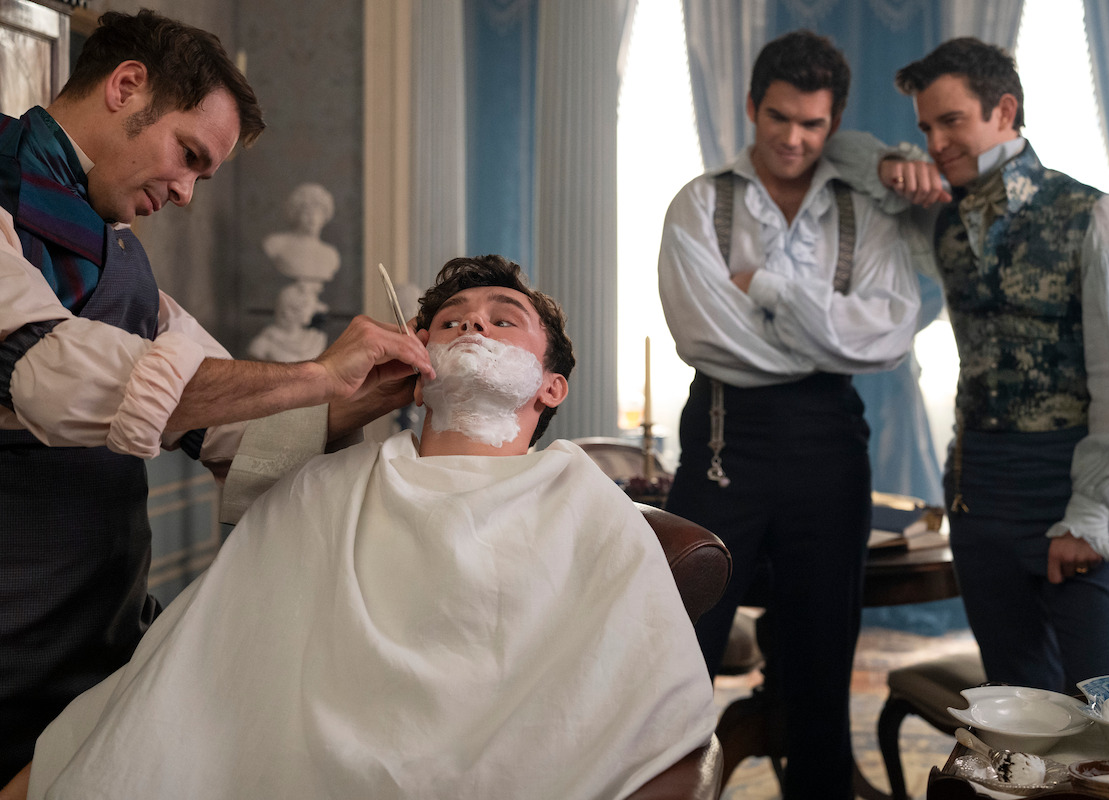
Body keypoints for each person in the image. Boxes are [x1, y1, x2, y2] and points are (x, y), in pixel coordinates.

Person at [22, 255, 717, 800]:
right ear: (416, 369)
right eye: (450, 321)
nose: (472, 326)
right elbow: (210, 669)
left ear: (551, 386)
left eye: (503, 320)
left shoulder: (583, 500)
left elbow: (645, 695)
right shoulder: (327, 487)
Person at [0, 10, 432, 789]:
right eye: (189, 156)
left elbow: (234, 431)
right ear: (126, 87)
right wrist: (316, 373)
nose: (186, 194)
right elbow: (49, 373)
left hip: (103, 647)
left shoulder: (123, 259)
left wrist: (365, 397)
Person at [657, 29, 922, 798]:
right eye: (779, 118)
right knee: (678, 654)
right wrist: (826, 336)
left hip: (830, 450)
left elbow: (888, 333)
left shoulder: (865, 211)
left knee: (821, 666)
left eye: (813, 124)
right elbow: (704, 335)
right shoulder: (699, 203)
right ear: (751, 107)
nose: (795, 139)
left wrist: (768, 297)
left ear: (833, 122)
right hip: (721, 445)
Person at [863, 37, 1109, 694]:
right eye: (925, 127)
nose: (936, 142)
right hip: (977, 495)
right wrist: (890, 162)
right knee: (1020, 713)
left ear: (1004, 111)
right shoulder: (939, 217)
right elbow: (843, 161)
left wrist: (1090, 514)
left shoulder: (1095, 217)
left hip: (1071, 490)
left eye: (951, 121)